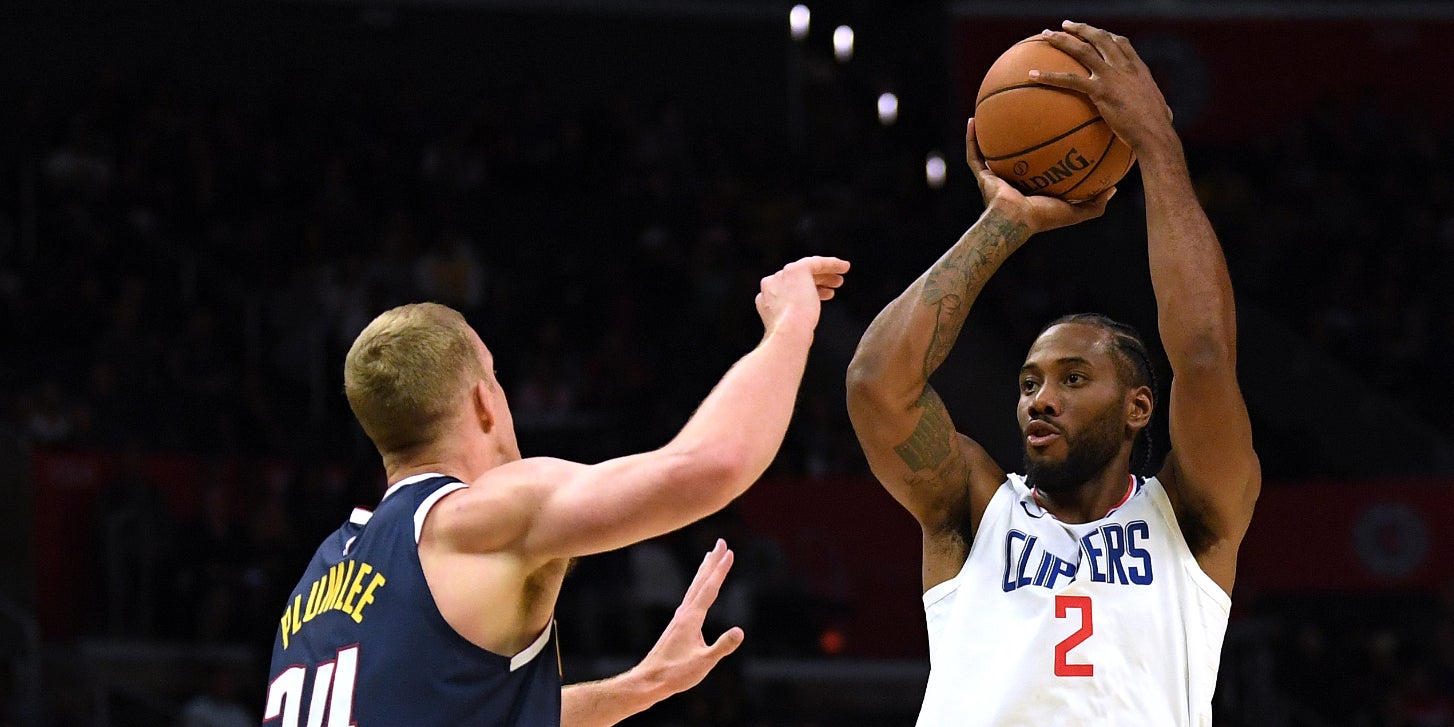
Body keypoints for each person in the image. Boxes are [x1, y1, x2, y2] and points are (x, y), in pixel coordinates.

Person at [845, 21, 1259, 726]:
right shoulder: (973, 511)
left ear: (1138, 407)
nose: (1040, 398)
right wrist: (1002, 224)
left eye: (1072, 378)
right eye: (1030, 381)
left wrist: (1157, 144)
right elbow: (874, 384)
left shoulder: (1192, 521)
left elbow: (1204, 356)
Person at [264, 255, 850, 726]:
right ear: (481, 401)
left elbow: (460, 711)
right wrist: (792, 324)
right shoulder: (474, 519)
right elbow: (714, 464)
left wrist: (640, 687)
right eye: (495, 378)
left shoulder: (313, 585)